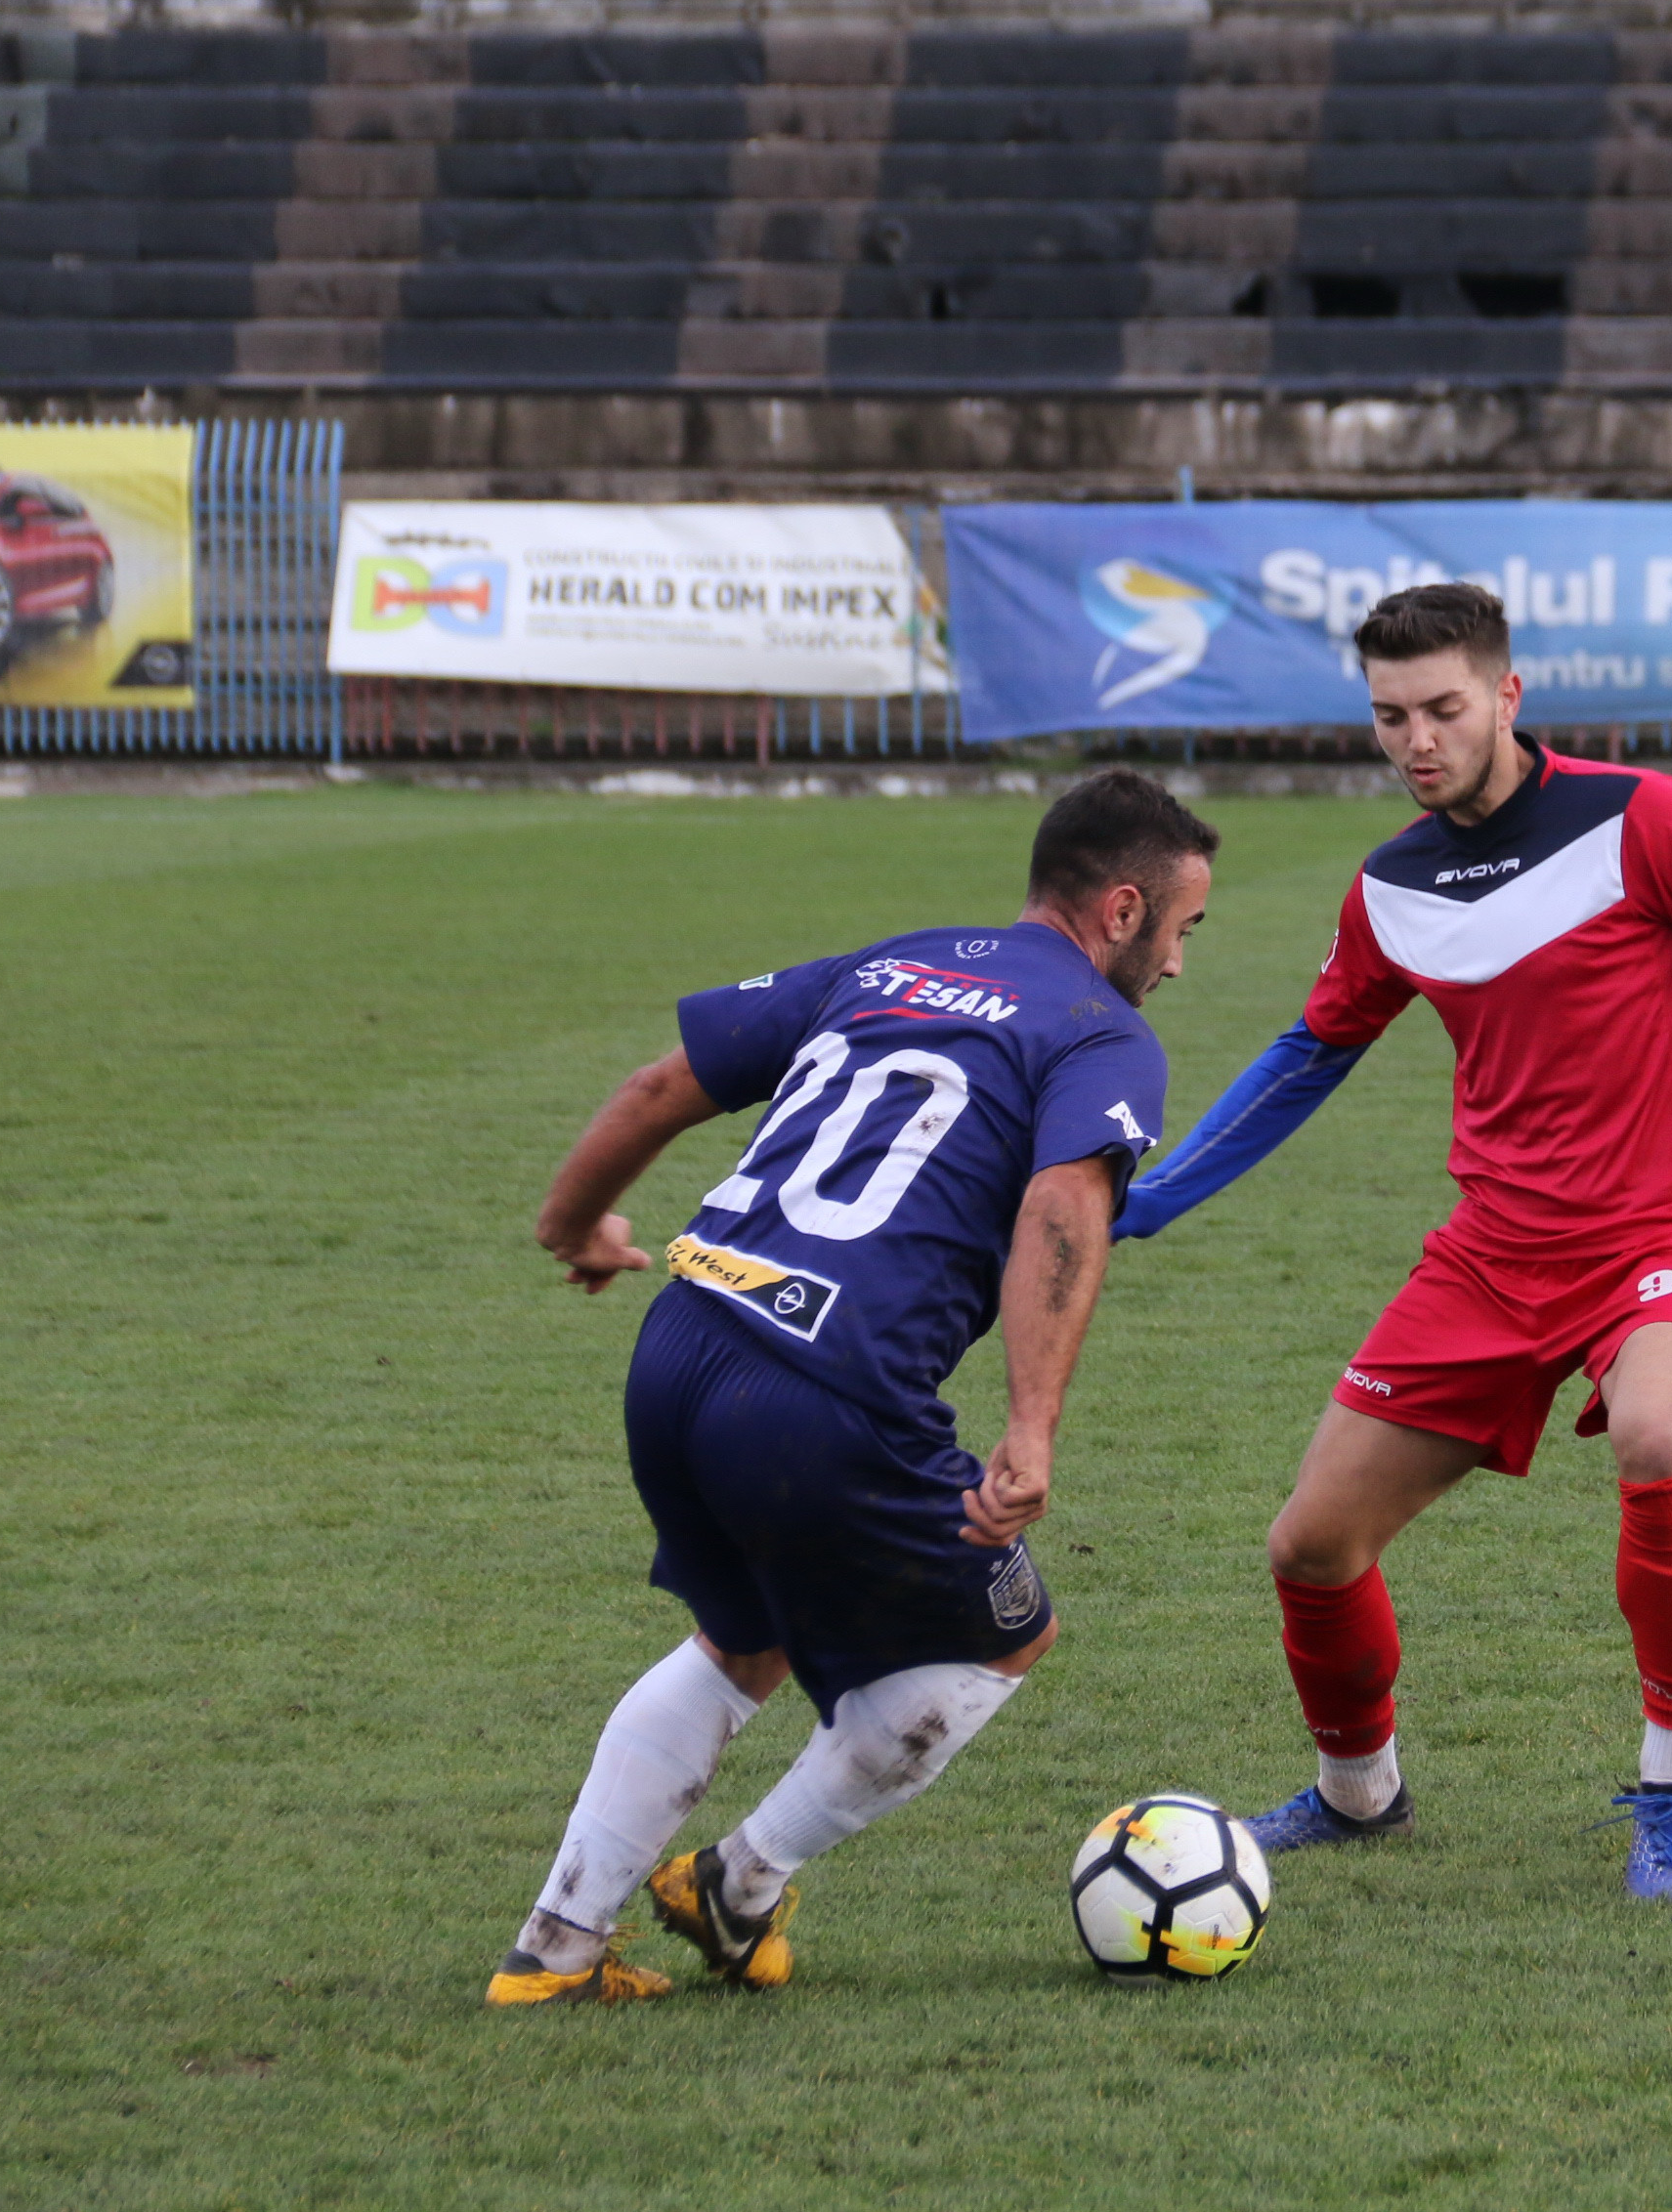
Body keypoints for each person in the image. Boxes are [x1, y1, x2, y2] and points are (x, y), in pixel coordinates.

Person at [1116, 581, 1672, 1902]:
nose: (1416, 740)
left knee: (1659, 1437)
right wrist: (1155, 1194)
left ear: (1508, 697)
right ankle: (1359, 1795)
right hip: (1491, 1256)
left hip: (1666, 1230)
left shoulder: (1641, 817)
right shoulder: (1389, 887)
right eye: (1390, 716)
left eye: (1444, 709)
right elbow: (1307, 1058)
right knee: (1310, 1545)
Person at [487, 771, 1217, 2004]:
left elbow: (659, 1086)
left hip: (681, 1340)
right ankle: (740, 1879)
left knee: (744, 1639)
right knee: (1007, 1633)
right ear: (1123, 909)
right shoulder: (1102, 1032)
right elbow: (1063, 1207)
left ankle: (553, 1950)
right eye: (1183, 929)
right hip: (823, 1390)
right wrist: (1031, 1427)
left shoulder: (890, 961)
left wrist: (574, 1222)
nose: (1180, 963)